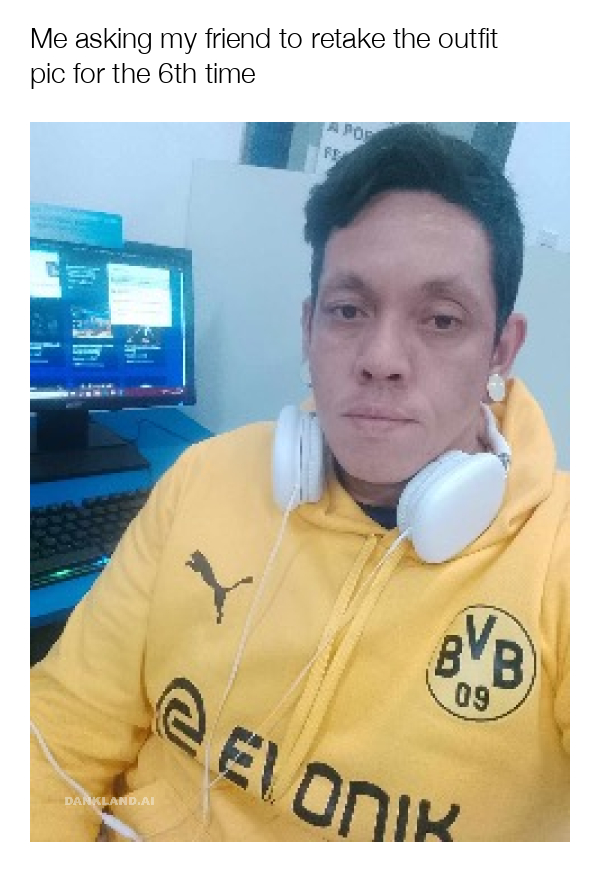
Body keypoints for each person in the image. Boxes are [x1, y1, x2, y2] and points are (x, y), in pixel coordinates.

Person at [30, 123, 569, 842]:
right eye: (349, 311)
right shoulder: (207, 475)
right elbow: (58, 731)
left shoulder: (567, 560)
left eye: (441, 320)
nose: (381, 358)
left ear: (501, 349)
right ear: (309, 328)